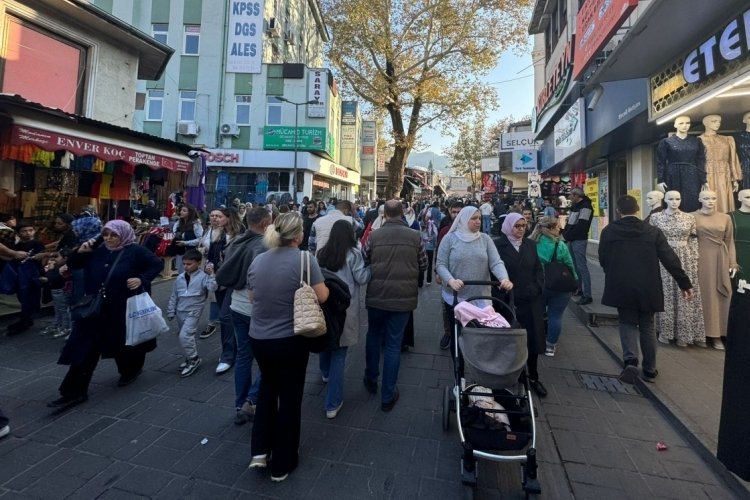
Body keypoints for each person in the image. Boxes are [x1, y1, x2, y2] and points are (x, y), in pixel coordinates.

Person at [246, 212, 329, 481]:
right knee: (290, 399)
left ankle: (259, 451)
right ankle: (282, 463)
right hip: (290, 339)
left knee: (268, 390)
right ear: (298, 235)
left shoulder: (258, 260)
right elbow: (322, 295)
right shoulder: (306, 259)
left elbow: (253, 297)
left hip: (259, 337)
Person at [49, 220, 163, 408]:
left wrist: (141, 279)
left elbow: (156, 264)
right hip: (94, 308)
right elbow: (73, 264)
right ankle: (74, 391)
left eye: (114, 235)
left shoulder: (135, 251)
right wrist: (80, 252)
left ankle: (131, 370)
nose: (109, 239)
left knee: (123, 345)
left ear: (123, 235)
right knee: (84, 347)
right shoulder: (97, 249)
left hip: (121, 309)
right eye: (105, 234)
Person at [599, 195, 693, 384]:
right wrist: (684, 282)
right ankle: (650, 369)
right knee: (648, 325)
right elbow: (669, 258)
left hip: (621, 283)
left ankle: (630, 360)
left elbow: (603, 258)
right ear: (637, 210)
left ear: (618, 210)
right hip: (647, 284)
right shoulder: (652, 231)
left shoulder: (609, 231)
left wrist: (613, 273)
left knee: (626, 322)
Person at [362, 200, 426, 411]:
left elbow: (365, 258)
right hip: (403, 298)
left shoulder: (374, 235)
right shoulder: (415, 236)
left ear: (385, 215)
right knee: (393, 345)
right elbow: (423, 263)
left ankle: (371, 379)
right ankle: (387, 395)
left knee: (373, 336)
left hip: (377, 296)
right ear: (403, 213)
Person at [216, 207, 271, 425]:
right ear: (267, 223)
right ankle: (252, 398)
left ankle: (240, 403)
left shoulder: (236, 242)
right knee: (269, 359)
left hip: (236, 307)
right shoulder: (264, 246)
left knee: (243, 356)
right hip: (255, 310)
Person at [436, 206, 513, 360]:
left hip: (482, 298)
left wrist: (503, 278)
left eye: (479, 218)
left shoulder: (485, 240)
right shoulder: (450, 239)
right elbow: (441, 265)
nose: (478, 222)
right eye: (474, 218)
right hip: (456, 297)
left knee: (481, 336)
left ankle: (480, 368)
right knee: (458, 334)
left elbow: (495, 262)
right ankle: (459, 371)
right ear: (464, 220)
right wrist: (450, 280)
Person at [317, 220, 371, 419]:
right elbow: (362, 278)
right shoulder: (354, 254)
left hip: (324, 304)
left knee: (325, 340)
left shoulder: (322, 252)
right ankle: (333, 403)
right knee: (340, 353)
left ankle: (325, 372)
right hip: (345, 307)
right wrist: (372, 268)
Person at [494, 213, 547, 397]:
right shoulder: (497, 246)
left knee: (531, 341)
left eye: (524, 225)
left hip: (531, 301)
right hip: (508, 302)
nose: (521, 229)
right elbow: (493, 271)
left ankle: (533, 376)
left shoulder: (530, 245)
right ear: (509, 226)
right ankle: (509, 375)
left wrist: (537, 287)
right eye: (517, 226)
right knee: (510, 341)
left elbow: (538, 270)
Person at [648, 191, 705, 347]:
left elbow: (693, 239)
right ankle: (664, 331)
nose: (674, 202)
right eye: (671, 199)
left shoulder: (689, 218)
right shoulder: (656, 217)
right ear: (664, 200)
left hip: (684, 257)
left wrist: (694, 258)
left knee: (685, 293)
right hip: (662, 257)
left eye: (678, 199)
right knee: (665, 292)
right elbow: (651, 240)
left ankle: (684, 333)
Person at [694, 190, 738, 350]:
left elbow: (730, 240)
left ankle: (719, 334)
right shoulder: (692, 216)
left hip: (720, 256)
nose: (710, 201)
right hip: (700, 257)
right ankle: (701, 333)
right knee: (703, 294)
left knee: (721, 294)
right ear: (699, 199)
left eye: (713, 198)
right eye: (706, 198)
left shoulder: (725, 217)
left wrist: (732, 263)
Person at [529, 216, 577, 357]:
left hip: (540, 284)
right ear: (549, 229)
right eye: (557, 227)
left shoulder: (532, 244)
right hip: (560, 285)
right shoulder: (560, 245)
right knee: (555, 316)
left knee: (537, 314)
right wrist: (575, 282)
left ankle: (536, 341)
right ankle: (550, 346)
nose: (559, 229)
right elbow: (570, 265)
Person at [167, 249, 217, 378]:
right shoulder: (180, 278)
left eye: (189, 264)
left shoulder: (204, 277)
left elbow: (212, 288)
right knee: (185, 336)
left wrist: (211, 274)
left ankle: (194, 359)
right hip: (180, 311)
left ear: (198, 263)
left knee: (185, 336)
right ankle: (189, 357)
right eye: (184, 264)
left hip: (194, 310)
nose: (186, 266)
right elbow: (174, 295)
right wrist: (171, 310)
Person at [656, 115, 707, 213]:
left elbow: (701, 160)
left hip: (692, 173)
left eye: (688, 123)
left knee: (692, 198)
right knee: (674, 198)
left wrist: (703, 179)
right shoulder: (666, 142)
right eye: (681, 123)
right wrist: (660, 179)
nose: (685, 125)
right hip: (673, 173)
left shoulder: (696, 141)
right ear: (675, 125)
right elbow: (661, 161)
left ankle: (692, 223)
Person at [6, 221, 45, 334]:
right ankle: (26, 319)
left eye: (30, 230)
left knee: (29, 298)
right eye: (24, 231)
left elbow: (40, 259)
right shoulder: (18, 245)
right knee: (23, 298)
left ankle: (25, 321)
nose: (28, 233)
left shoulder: (37, 243)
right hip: (20, 275)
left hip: (33, 275)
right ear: (18, 234)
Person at [699, 114, 742, 213]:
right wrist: (700, 179)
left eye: (719, 121)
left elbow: (733, 158)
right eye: (714, 121)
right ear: (705, 123)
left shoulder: (727, 139)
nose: (718, 124)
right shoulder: (699, 140)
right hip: (707, 173)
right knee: (709, 197)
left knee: (724, 198)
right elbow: (698, 161)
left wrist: (735, 178)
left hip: (724, 174)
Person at [561, 187, 593, 305]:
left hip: (579, 240)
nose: (569, 197)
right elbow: (570, 224)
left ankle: (587, 295)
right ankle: (579, 289)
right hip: (572, 239)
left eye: (571, 195)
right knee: (574, 266)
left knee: (581, 266)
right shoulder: (576, 206)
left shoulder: (586, 207)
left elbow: (582, 226)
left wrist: (568, 236)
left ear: (576, 196)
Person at [172, 204, 204, 273]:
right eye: (181, 210)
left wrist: (185, 243)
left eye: (184, 211)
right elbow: (174, 234)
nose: (181, 212)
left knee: (190, 273)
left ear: (190, 213)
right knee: (181, 272)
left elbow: (200, 240)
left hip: (191, 253)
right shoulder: (178, 222)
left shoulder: (196, 224)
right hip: (180, 252)